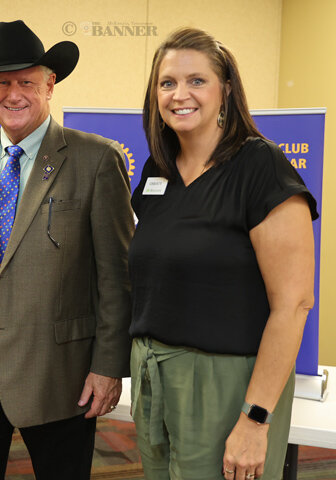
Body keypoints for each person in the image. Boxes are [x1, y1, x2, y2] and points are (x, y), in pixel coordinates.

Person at [0, 20, 134, 480]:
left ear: (50, 84)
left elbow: (115, 276)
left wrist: (108, 366)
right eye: (2, 83)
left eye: (26, 82)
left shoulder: (96, 160)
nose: (13, 94)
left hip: (62, 376)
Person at [129, 27, 318, 480]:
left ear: (225, 90)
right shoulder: (158, 168)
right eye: (167, 82)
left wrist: (255, 420)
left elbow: (293, 305)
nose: (180, 94)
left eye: (197, 81)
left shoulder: (261, 166)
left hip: (226, 385)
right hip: (155, 379)